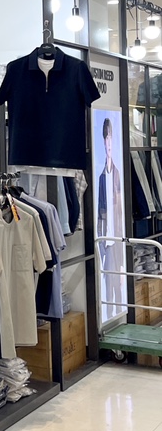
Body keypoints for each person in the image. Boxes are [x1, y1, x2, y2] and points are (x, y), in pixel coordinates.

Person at [96, 116, 124, 319]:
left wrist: (121, 258)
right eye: (106, 138)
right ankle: (110, 316)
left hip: (116, 241)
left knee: (117, 286)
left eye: (110, 137)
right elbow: (99, 213)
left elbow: (120, 213)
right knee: (107, 285)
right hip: (105, 242)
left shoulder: (116, 174)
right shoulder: (101, 177)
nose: (108, 142)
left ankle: (119, 319)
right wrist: (100, 244)